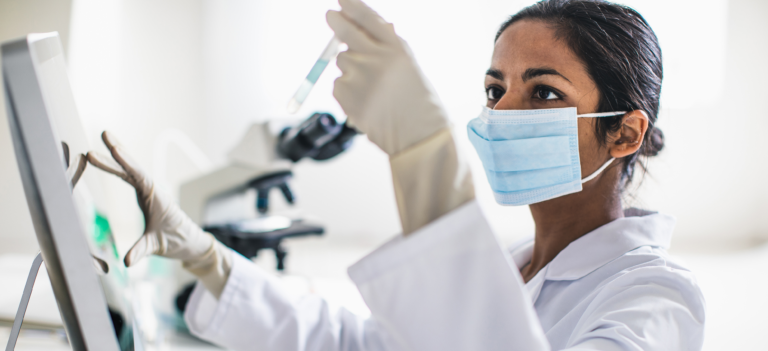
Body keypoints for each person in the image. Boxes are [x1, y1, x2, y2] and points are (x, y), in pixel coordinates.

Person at [87, 0, 706, 349]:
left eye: (542, 93)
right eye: (495, 89)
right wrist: (207, 259)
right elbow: (357, 345)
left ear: (623, 132)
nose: (503, 112)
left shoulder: (656, 299)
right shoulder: (515, 263)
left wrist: (422, 154)